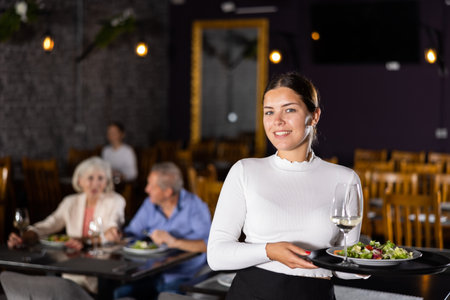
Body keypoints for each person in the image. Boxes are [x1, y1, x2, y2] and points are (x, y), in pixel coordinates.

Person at [207, 72, 366, 299]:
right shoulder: (245, 171)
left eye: (289, 110)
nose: (277, 121)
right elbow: (216, 255)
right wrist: (269, 250)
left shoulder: (345, 179)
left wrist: (371, 264)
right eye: (269, 112)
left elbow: (344, 268)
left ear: (314, 116)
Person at [8, 157, 126, 293]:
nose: (95, 184)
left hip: (102, 270)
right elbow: (50, 224)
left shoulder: (115, 200)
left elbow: (112, 228)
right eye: (90, 178)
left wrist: (91, 239)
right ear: (79, 180)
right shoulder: (70, 202)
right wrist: (25, 237)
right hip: (71, 268)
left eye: (101, 178)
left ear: (107, 181)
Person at [114, 162, 211, 300]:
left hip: (183, 275)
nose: (146, 190)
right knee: (120, 294)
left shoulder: (195, 206)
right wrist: (118, 235)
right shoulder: (150, 203)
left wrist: (174, 241)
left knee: (164, 296)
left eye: (152, 186)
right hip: (151, 273)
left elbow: (210, 245)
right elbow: (132, 232)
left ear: (168, 192)